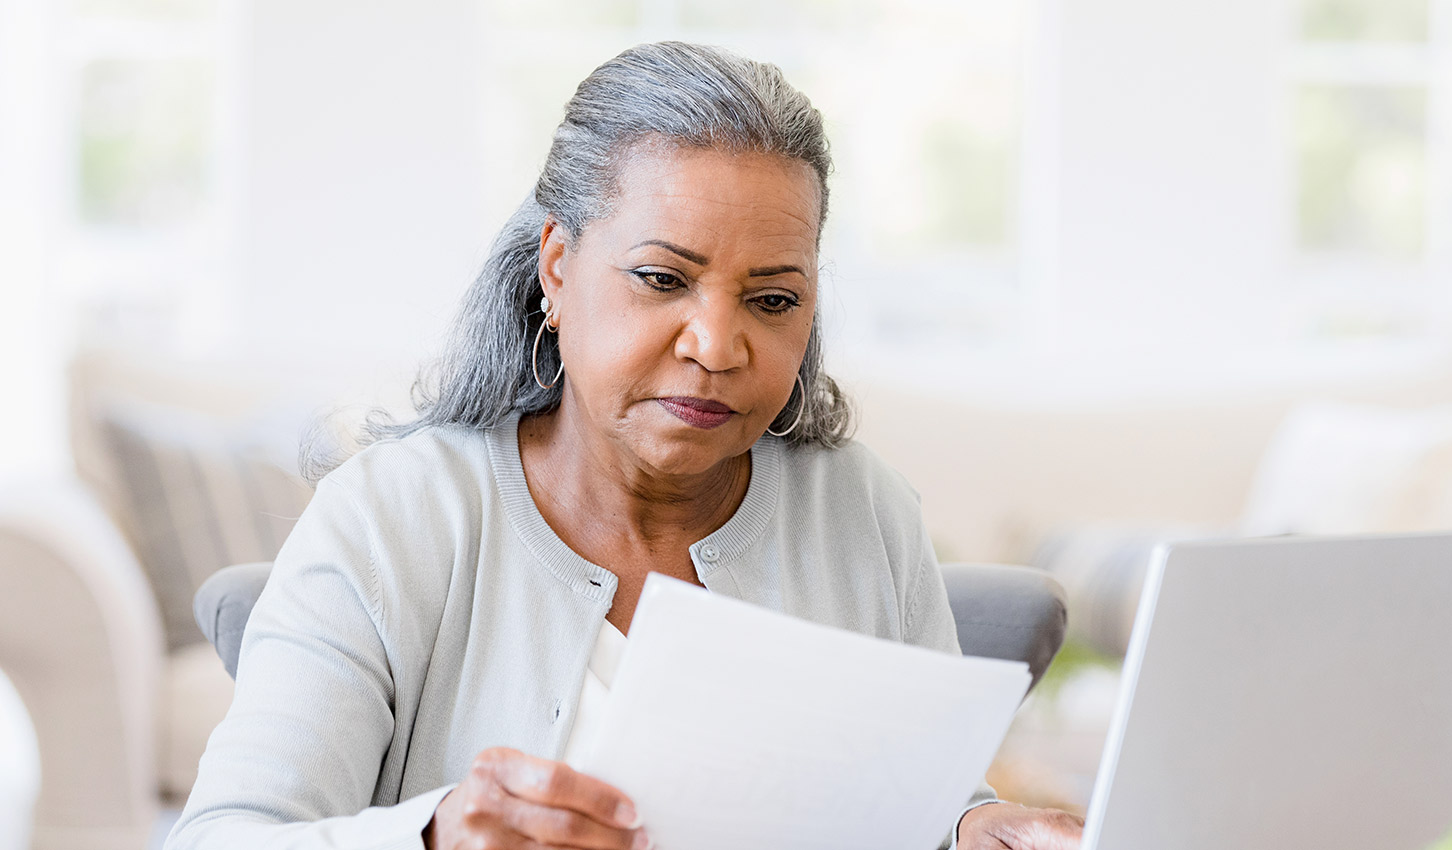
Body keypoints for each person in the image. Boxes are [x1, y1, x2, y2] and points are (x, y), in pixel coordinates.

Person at [165, 41, 1085, 850]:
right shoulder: (393, 516)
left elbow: (923, 811)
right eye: (660, 279)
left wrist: (972, 828)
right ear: (557, 268)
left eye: (772, 300)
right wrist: (434, 838)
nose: (717, 348)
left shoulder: (861, 508)